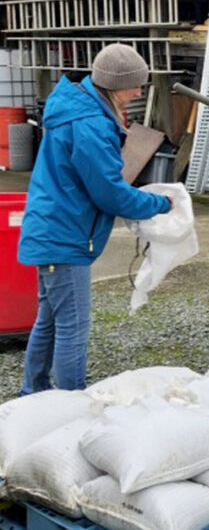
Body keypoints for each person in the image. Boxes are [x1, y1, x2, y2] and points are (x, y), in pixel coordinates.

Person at [17, 43, 173, 395]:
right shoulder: (90, 124)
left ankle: (33, 393)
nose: (138, 92)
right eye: (135, 85)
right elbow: (110, 193)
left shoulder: (80, 110)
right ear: (116, 84)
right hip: (65, 236)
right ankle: (73, 403)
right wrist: (159, 204)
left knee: (50, 322)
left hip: (52, 228)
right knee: (72, 326)